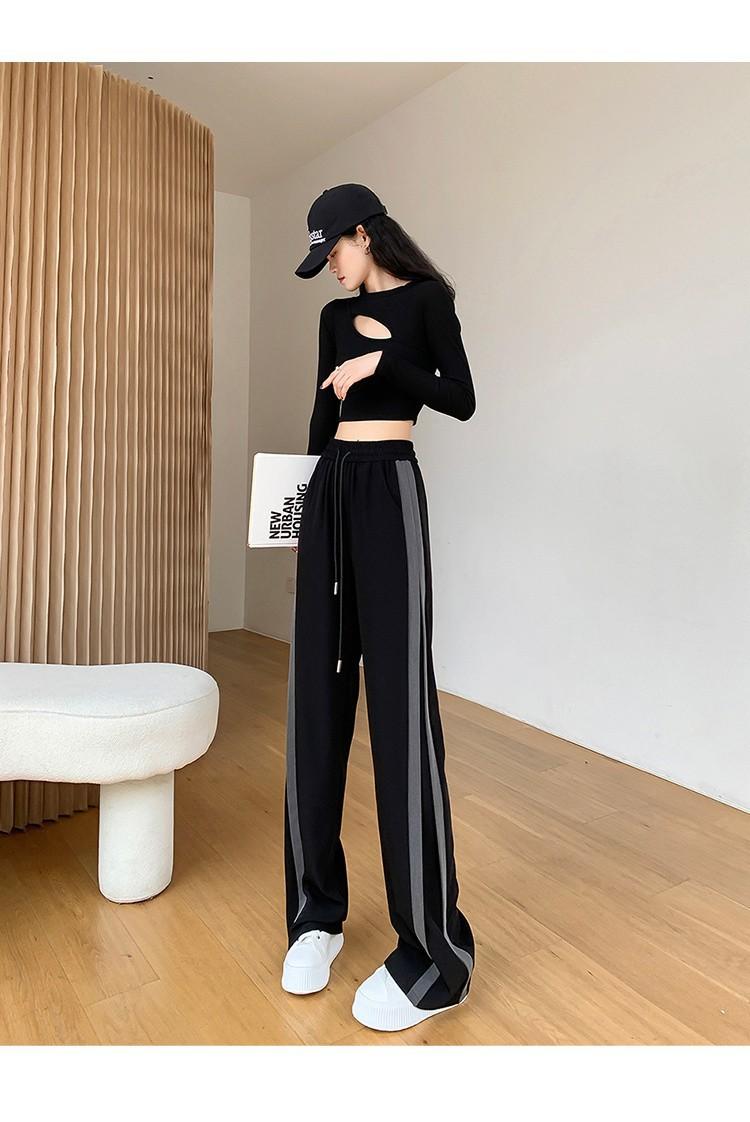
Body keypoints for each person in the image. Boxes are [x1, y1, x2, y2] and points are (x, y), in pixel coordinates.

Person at [282, 183, 477, 1032]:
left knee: (401, 713)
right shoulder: (332, 318)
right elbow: (318, 419)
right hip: (331, 490)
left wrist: (382, 366)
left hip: (392, 489)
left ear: (364, 235)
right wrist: (298, 517)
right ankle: (314, 915)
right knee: (314, 705)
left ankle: (436, 954)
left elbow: (460, 396)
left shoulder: (430, 301)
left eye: (334, 250)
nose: (330, 267)